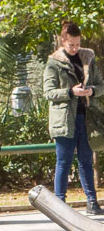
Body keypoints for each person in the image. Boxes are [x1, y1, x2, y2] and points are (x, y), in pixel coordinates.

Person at [44, 21, 103, 215]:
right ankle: (59, 203)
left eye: (78, 44)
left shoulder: (88, 58)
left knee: (86, 160)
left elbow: (101, 85)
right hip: (64, 120)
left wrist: (91, 91)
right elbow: (49, 92)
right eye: (71, 45)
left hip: (86, 118)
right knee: (63, 161)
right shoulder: (54, 63)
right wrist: (71, 92)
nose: (75, 48)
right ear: (63, 41)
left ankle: (92, 201)